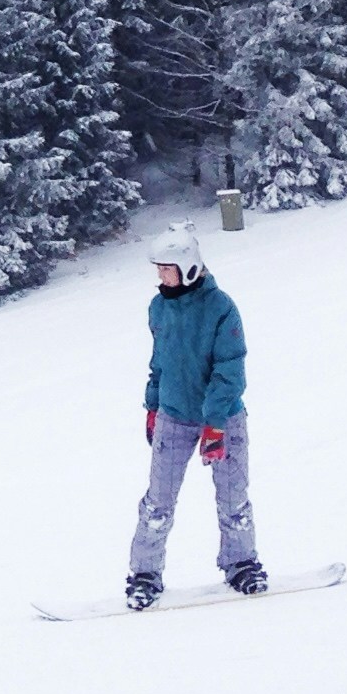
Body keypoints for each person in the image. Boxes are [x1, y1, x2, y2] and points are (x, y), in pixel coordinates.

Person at [127, 223, 261, 609]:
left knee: (234, 498)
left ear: (187, 266)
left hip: (224, 419)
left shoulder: (221, 308)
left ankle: (242, 564)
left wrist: (216, 423)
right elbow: (159, 362)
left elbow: (230, 369)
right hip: (174, 416)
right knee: (157, 502)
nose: (159, 275)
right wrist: (152, 406)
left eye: (165, 267)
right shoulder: (159, 307)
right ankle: (144, 574)